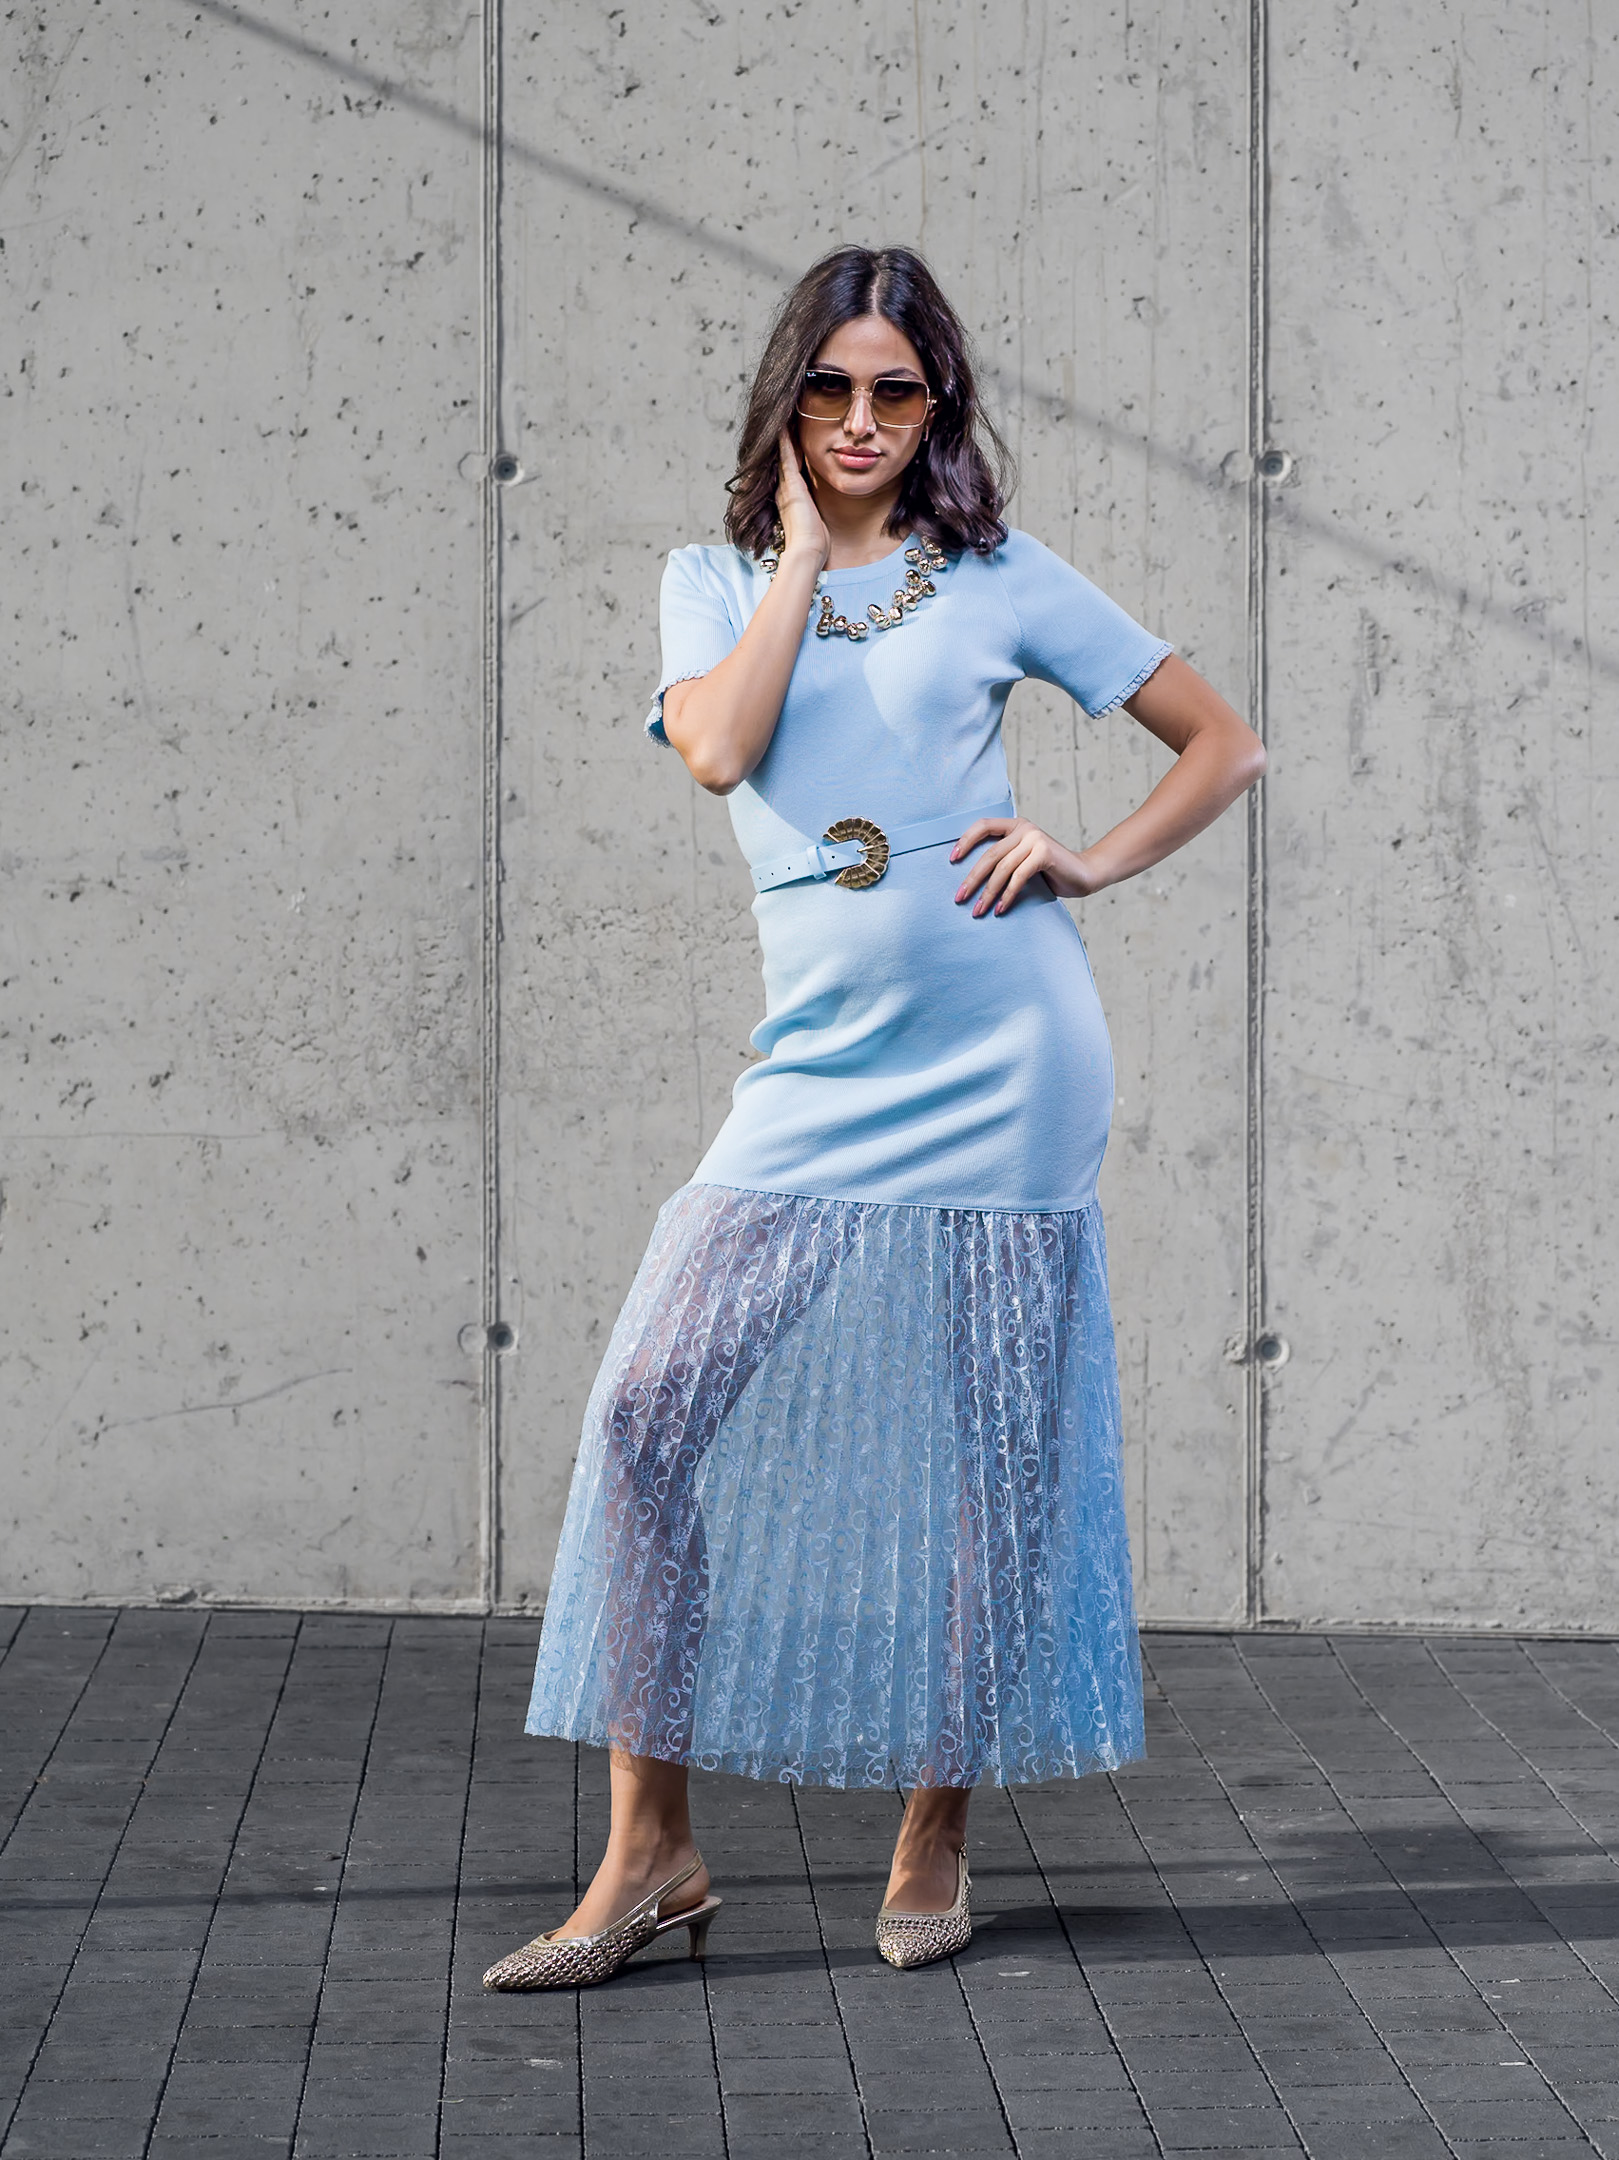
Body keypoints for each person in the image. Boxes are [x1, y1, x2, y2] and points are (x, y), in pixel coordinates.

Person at [485, 244, 1265, 1990]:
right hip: (819, 1073)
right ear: (789, 398)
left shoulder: (996, 575)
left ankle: (937, 1831)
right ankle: (652, 1850)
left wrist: (1086, 856)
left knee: (992, 1457)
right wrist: (792, 561)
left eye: (894, 391)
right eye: (830, 387)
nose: (860, 419)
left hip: (1008, 1061)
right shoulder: (707, 582)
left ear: (937, 406)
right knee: (645, 1416)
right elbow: (719, 750)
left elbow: (1225, 745)